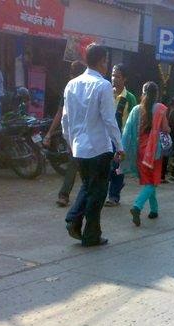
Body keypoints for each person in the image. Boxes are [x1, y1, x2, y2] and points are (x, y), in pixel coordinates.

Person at [62, 44, 123, 247]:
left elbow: (65, 119)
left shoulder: (71, 85)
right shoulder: (103, 85)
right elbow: (109, 119)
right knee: (97, 193)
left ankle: (75, 221)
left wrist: (70, 142)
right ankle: (89, 233)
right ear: (101, 61)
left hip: (79, 147)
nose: (107, 65)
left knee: (88, 186)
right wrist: (119, 145)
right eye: (106, 61)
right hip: (99, 148)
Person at [121, 81, 170, 226]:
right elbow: (165, 128)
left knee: (149, 181)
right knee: (153, 182)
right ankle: (137, 206)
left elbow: (127, 131)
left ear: (143, 94)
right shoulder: (160, 109)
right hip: (155, 152)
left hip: (140, 151)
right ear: (157, 94)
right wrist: (167, 130)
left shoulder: (136, 109)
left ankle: (154, 210)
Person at [44, 60, 86, 207]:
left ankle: (66, 195)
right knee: (77, 164)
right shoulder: (78, 89)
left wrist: (50, 133)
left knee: (76, 165)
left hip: (77, 134)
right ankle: (68, 195)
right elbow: (61, 113)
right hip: (82, 134)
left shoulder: (70, 89)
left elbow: (60, 113)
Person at [104, 64, 138, 207]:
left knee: (117, 168)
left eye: (117, 76)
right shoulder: (106, 93)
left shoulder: (129, 98)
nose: (114, 79)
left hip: (121, 138)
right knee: (106, 167)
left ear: (124, 79)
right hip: (105, 137)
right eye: (113, 75)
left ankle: (114, 196)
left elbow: (134, 120)